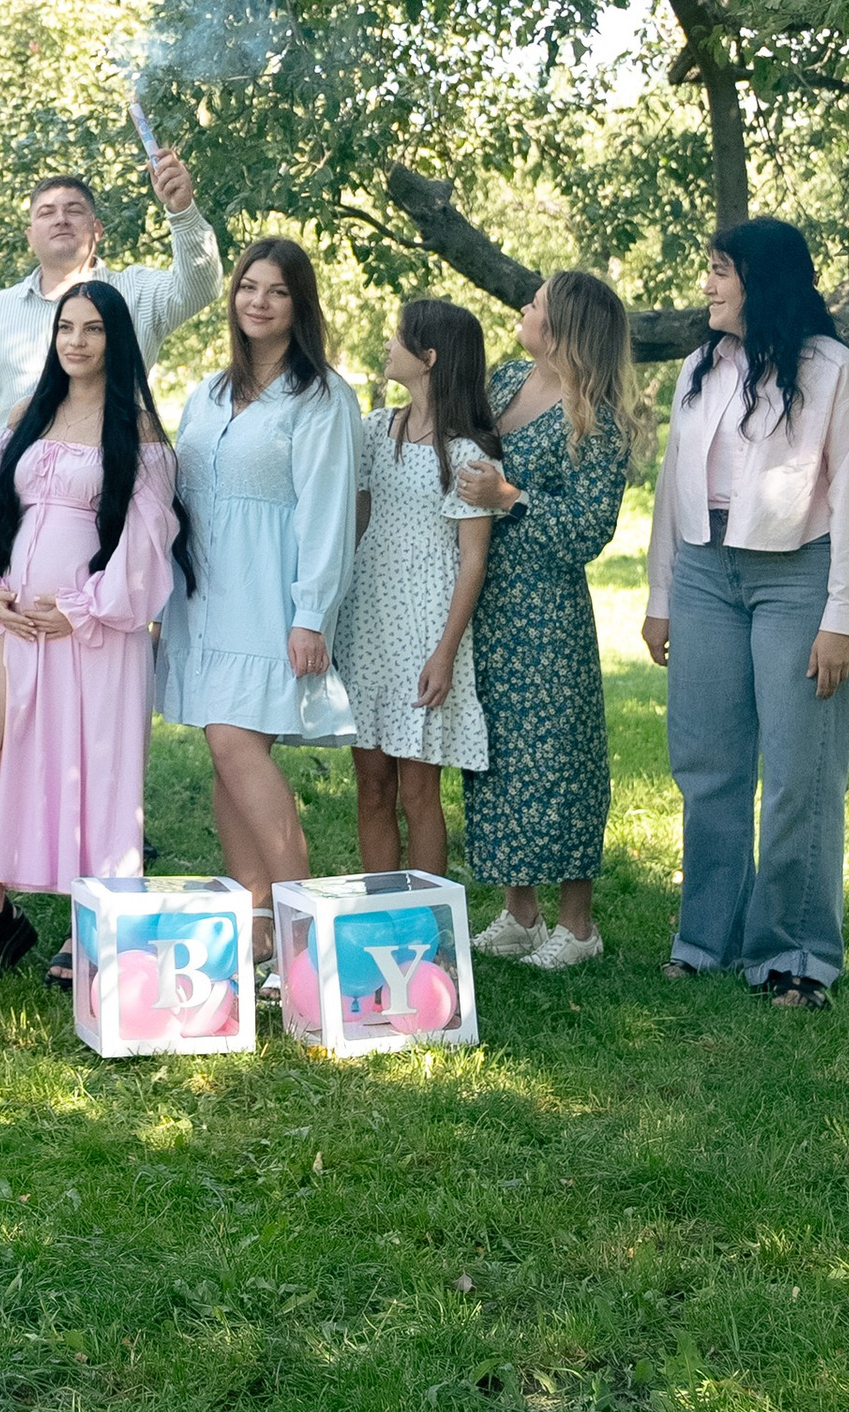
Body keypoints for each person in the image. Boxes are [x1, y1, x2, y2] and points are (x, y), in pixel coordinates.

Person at [643, 216, 849, 1009]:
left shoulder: (834, 372)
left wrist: (842, 616)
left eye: (720, 270)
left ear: (763, 280)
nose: (707, 285)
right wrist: (662, 593)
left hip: (798, 580)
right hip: (706, 573)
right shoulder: (697, 369)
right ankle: (705, 939)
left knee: (797, 773)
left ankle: (798, 955)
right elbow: (672, 486)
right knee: (707, 766)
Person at [0, 280, 187, 980]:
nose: (75, 340)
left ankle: (87, 925)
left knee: (91, 773)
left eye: (92, 329)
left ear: (115, 339)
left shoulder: (140, 435)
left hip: (95, 627)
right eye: (66, 327)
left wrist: (84, 606)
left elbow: (147, 538)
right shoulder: (26, 417)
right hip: (20, 623)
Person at [158, 238, 359, 985]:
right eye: (248, 287)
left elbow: (328, 513)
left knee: (238, 749)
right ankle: (258, 925)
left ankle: (304, 934)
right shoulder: (209, 392)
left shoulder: (323, 398)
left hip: (270, 600)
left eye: (277, 291)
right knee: (226, 756)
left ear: (299, 305)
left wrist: (313, 615)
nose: (258, 302)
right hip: (202, 599)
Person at [453, 271, 635, 974]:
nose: (523, 310)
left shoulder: (599, 419)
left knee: (558, 758)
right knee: (495, 752)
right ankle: (519, 912)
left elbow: (591, 529)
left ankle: (577, 924)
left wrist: (510, 496)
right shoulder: (503, 383)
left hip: (546, 608)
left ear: (562, 327)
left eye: (535, 305)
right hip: (485, 597)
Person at [0, 149, 221, 572]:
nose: (61, 219)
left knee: (98, 629)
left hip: (109, 520)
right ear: (30, 234)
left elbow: (201, 285)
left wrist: (182, 212)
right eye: (46, 212)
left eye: (74, 210)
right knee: (12, 629)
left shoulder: (134, 295)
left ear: (97, 229)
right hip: (14, 521)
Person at [342, 297, 499, 882]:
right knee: (373, 786)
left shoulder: (467, 453)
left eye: (398, 338)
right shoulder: (374, 431)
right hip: (369, 626)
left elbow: (472, 561)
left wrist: (445, 653)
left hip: (427, 633)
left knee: (418, 793)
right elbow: (357, 523)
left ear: (428, 358)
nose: (388, 345)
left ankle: (426, 927)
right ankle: (381, 910)